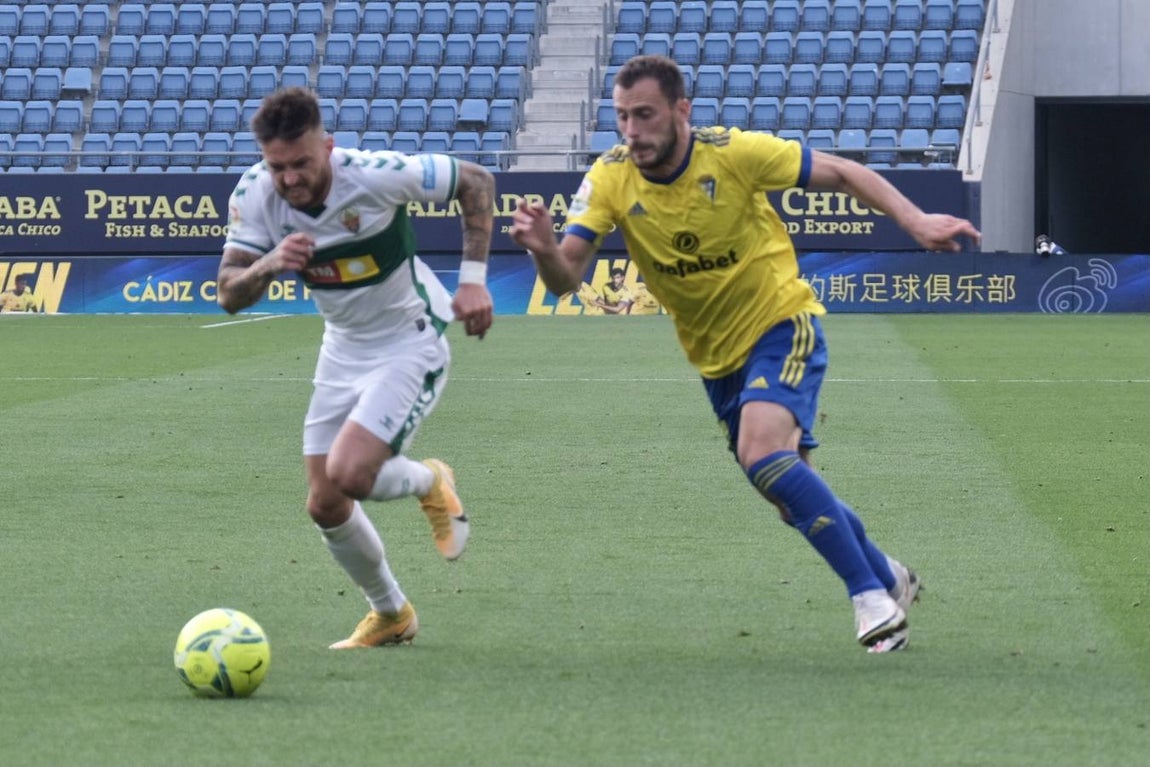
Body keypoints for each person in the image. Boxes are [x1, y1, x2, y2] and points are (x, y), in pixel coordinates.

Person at [510, 55, 981, 652]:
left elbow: (839, 171)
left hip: (781, 322)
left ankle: (870, 599)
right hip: (716, 359)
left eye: (645, 115)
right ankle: (889, 574)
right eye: (622, 117)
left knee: (760, 451)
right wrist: (543, 250)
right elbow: (564, 280)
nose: (631, 131)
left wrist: (915, 222)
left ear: (681, 110)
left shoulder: (732, 153)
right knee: (790, 494)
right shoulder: (608, 178)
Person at [216, 87, 496, 649]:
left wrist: (473, 281)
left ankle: (430, 480)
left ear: (328, 145)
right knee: (325, 502)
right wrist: (269, 264)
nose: (290, 178)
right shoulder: (254, 193)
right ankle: (391, 613)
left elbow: (477, 182)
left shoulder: (374, 175)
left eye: (302, 163)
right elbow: (228, 293)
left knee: (349, 473)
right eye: (278, 167)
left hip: (408, 341)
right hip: (342, 348)